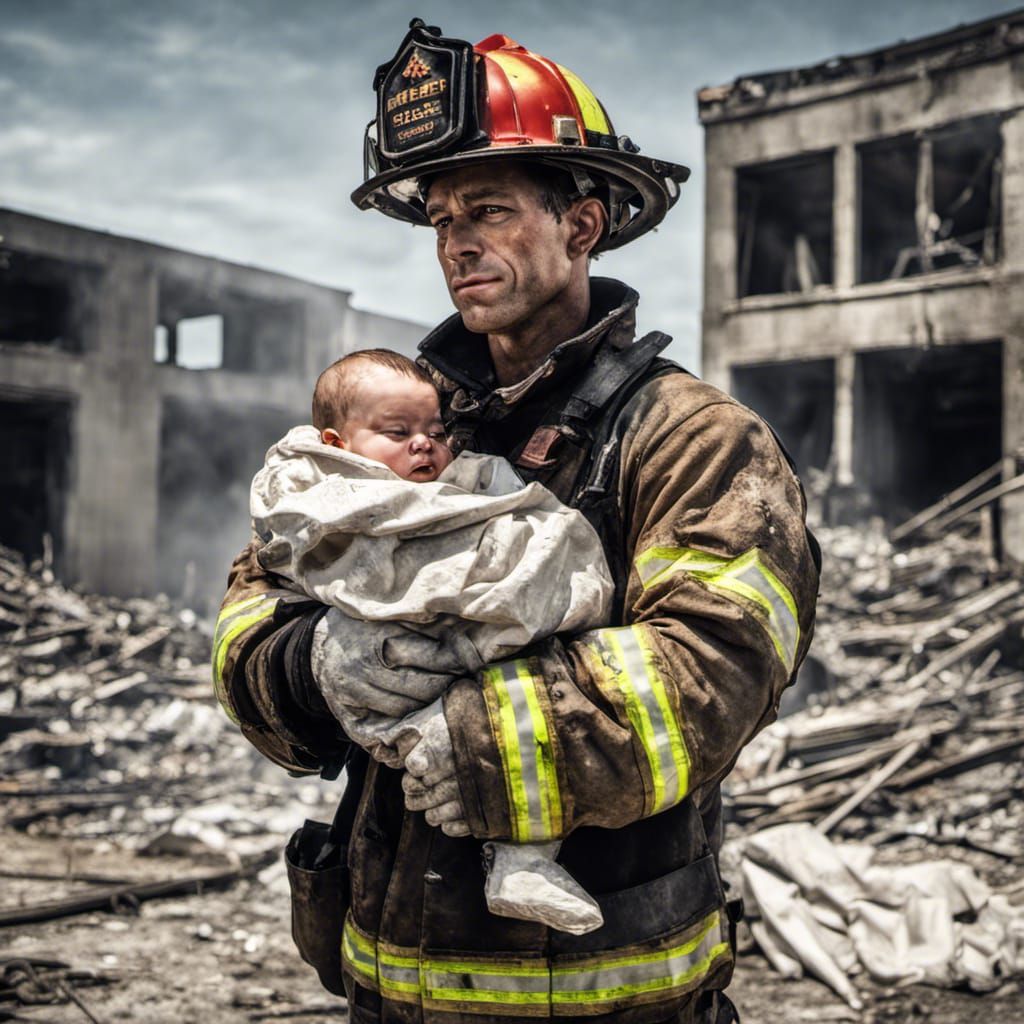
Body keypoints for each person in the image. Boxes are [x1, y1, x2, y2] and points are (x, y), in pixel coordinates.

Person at [213, 19, 820, 1024]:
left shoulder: (688, 435)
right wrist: (310, 665)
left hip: (604, 999)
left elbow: (718, 671)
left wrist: (479, 740)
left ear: (580, 227)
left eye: (488, 210)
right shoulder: (397, 429)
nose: (457, 243)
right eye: (443, 219)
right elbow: (251, 610)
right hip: (389, 989)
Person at [250, 348, 614, 934]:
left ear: (582, 247)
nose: (425, 444)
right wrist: (305, 657)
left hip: (498, 672)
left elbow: (520, 519)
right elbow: (266, 591)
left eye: (436, 432)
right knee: (414, 732)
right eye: (398, 433)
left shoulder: (673, 423)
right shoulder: (316, 492)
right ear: (335, 444)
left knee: (507, 731)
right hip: (387, 899)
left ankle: (523, 858)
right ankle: (512, 853)